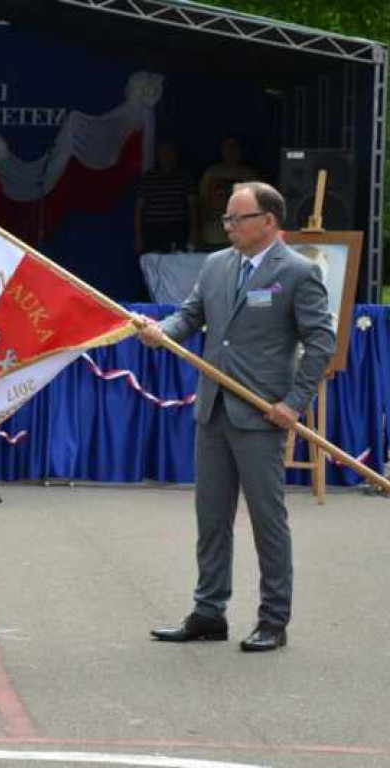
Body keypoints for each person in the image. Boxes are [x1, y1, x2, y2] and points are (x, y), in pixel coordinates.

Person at [135, 182, 334, 653]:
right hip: (214, 407)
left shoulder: (299, 272)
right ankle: (209, 612)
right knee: (211, 517)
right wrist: (160, 333)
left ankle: (273, 619)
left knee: (268, 520)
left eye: (237, 218)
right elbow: (189, 317)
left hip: (263, 411)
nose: (228, 226)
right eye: (226, 218)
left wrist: (294, 402)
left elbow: (320, 342)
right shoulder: (216, 265)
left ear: (268, 221)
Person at [133, 141, 198, 254]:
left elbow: (193, 207)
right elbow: (139, 209)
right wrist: (138, 236)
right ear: (158, 156)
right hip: (153, 230)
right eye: (164, 153)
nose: (168, 157)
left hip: (177, 229)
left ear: (176, 156)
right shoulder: (148, 178)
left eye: (171, 153)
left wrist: (194, 232)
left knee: (177, 264)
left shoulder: (185, 177)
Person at [199, 137, 258, 249]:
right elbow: (202, 202)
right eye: (227, 147)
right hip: (213, 235)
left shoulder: (248, 175)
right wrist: (199, 232)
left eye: (234, 147)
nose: (230, 151)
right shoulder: (211, 172)